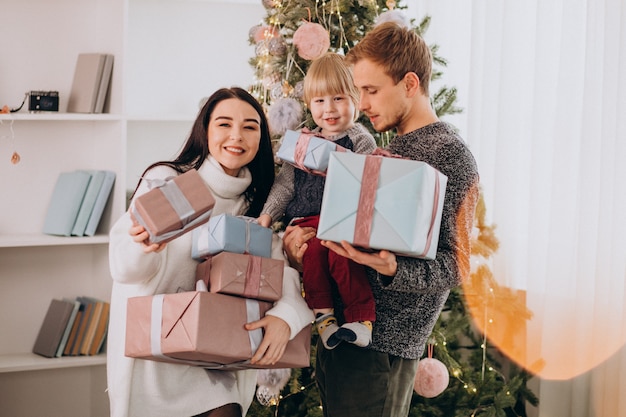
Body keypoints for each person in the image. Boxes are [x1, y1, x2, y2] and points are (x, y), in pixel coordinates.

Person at [282, 22, 480, 417]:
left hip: (382, 349)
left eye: (371, 91)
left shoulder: (451, 155)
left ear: (409, 83)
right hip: (346, 338)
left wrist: (392, 269)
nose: (363, 103)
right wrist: (302, 248)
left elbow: (459, 263)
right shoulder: (391, 148)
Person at [106, 87, 314, 417]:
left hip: (217, 360)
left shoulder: (259, 208)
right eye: (224, 124)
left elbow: (283, 276)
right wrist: (142, 245)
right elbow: (124, 269)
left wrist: (285, 318)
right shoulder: (167, 181)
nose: (236, 136)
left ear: (261, 137)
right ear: (205, 130)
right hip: (155, 359)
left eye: (249, 126)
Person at [257, 52, 378, 350]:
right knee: (311, 257)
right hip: (306, 221)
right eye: (320, 101)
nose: (329, 109)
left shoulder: (361, 140)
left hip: (342, 220)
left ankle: (361, 319)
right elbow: (285, 185)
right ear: (310, 105)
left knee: (343, 257)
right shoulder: (302, 140)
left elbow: (371, 183)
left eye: (339, 99)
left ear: (355, 101)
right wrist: (267, 216)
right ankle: (324, 318)